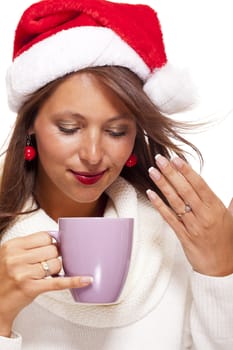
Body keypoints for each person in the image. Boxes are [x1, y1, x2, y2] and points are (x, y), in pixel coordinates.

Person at [0, 0, 232, 349]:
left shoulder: (177, 240)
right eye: (68, 128)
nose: (93, 155)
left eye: (116, 131)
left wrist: (219, 271)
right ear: (30, 125)